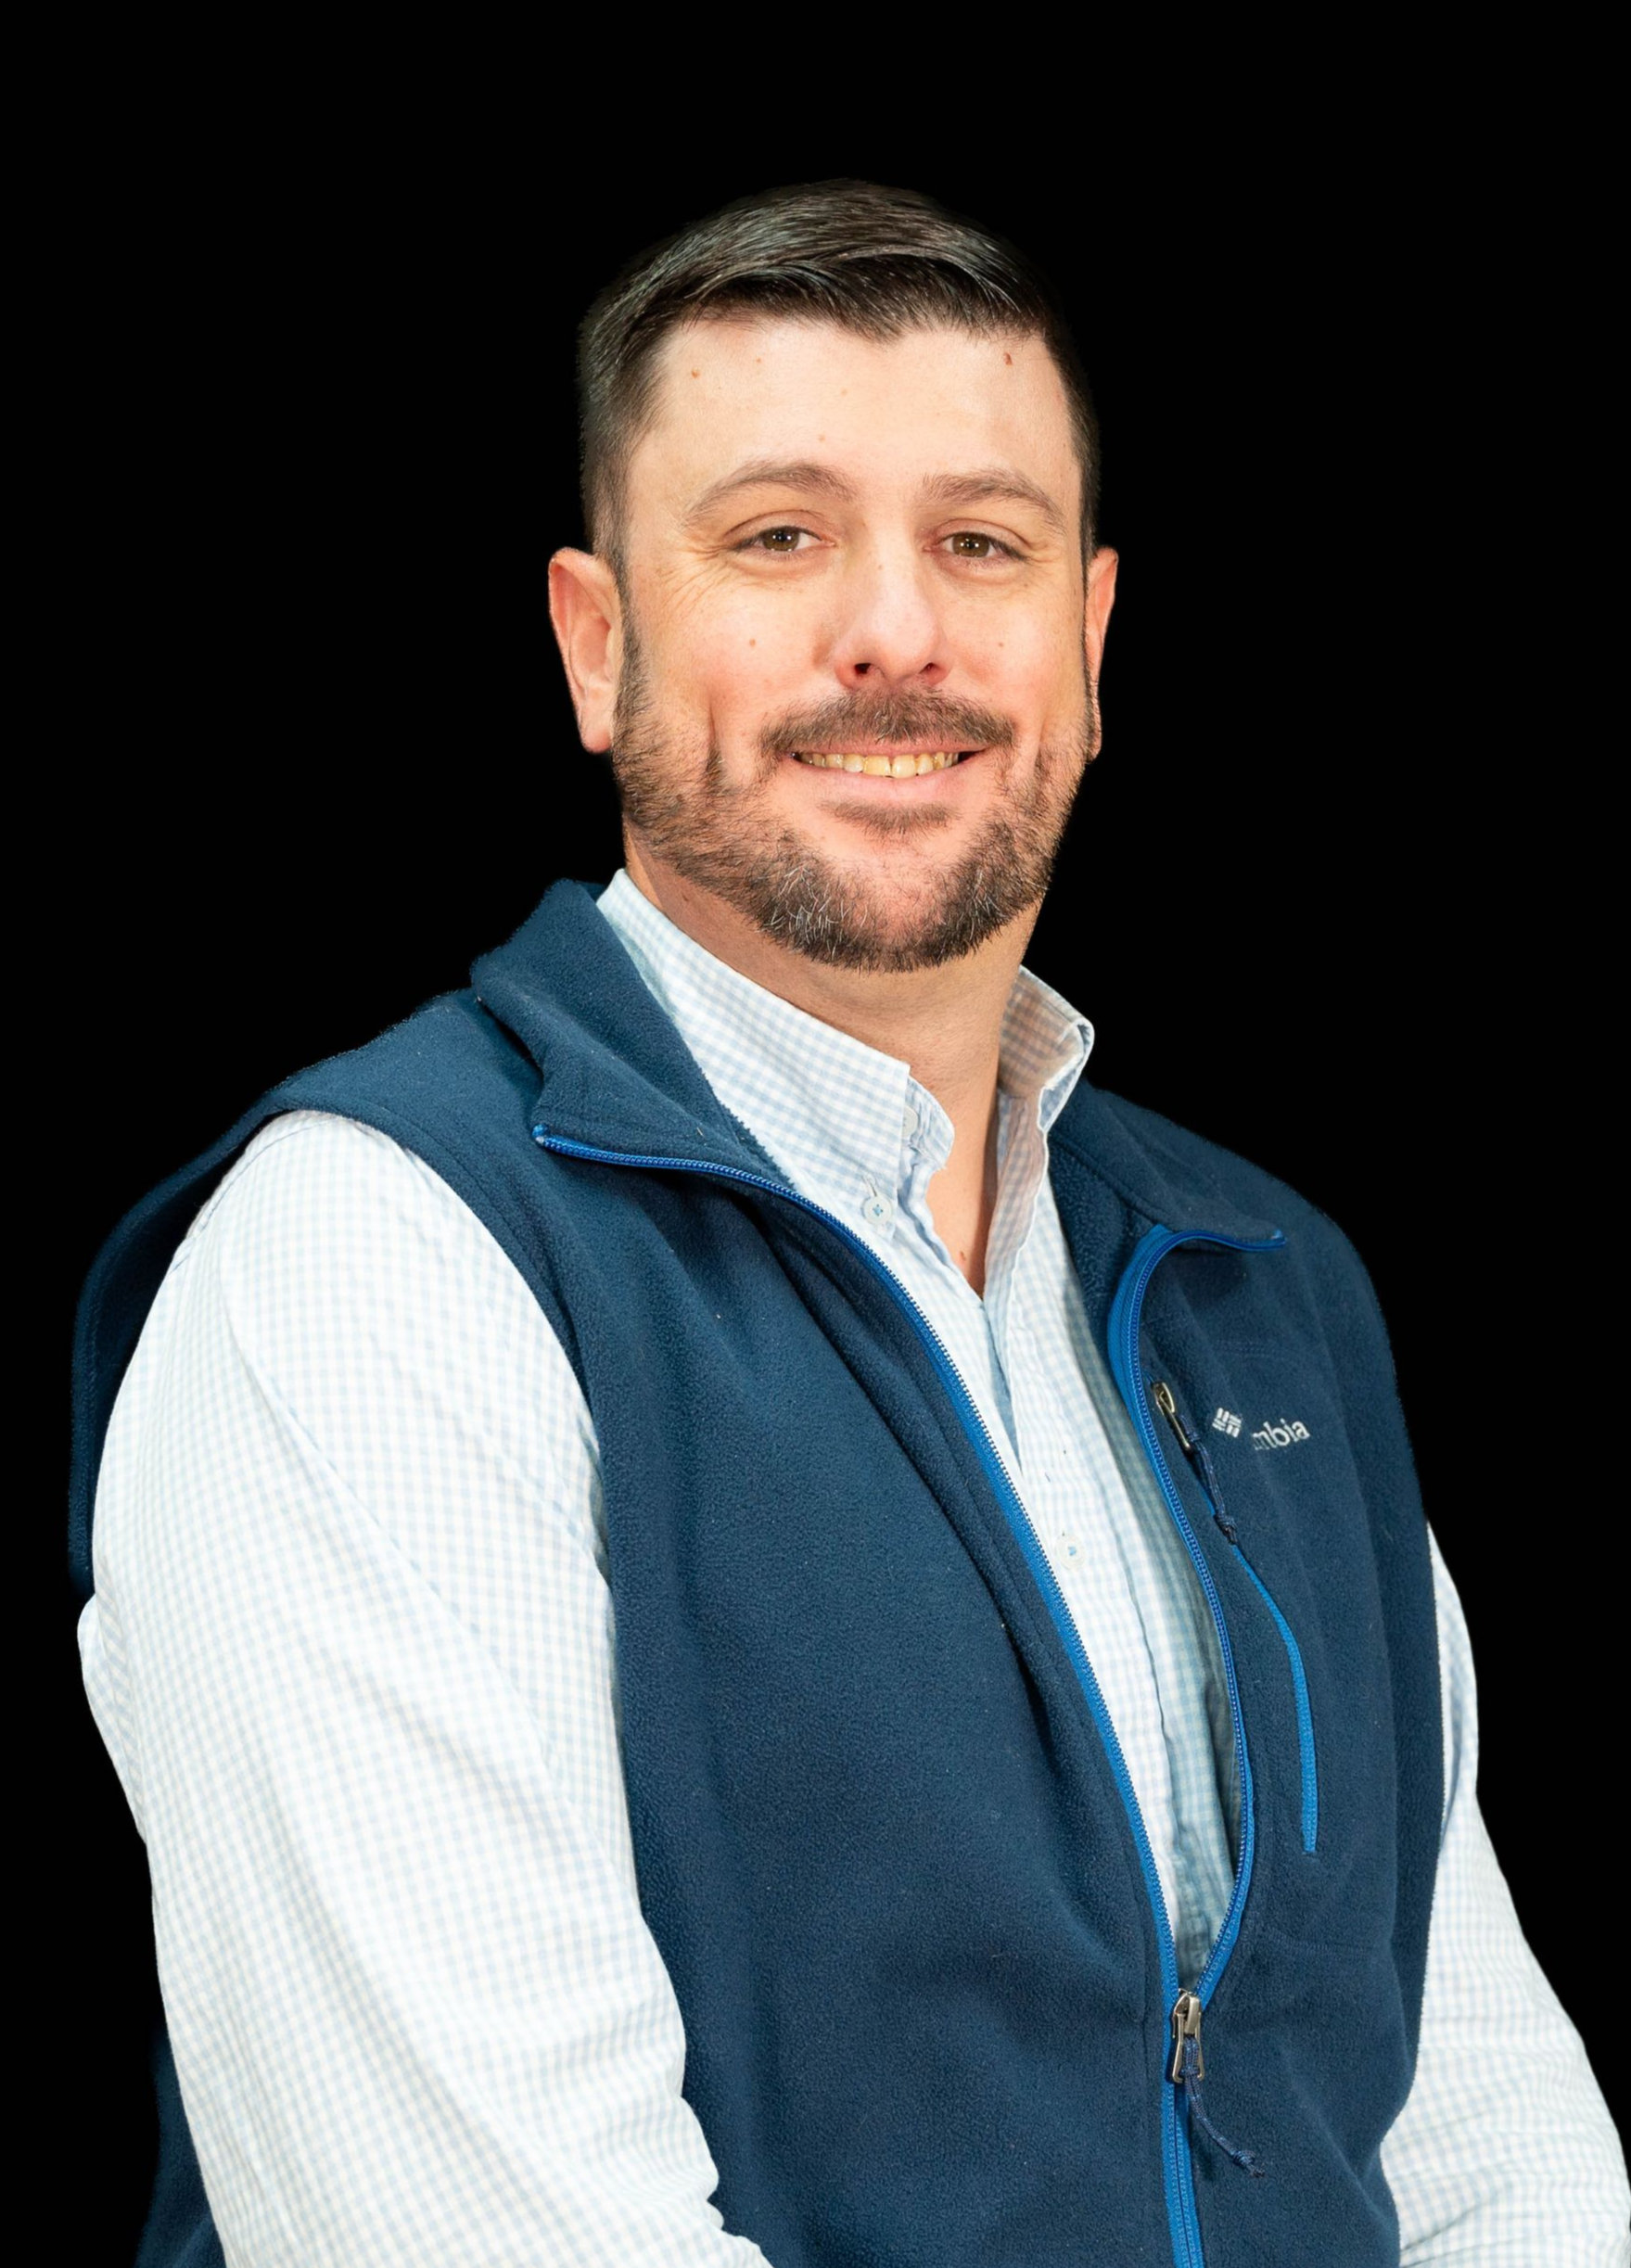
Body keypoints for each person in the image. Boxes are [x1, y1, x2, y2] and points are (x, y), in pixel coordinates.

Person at [70, 179, 1626, 2267]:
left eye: (981, 544)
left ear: (1088, 649)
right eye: (779, 536)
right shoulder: (381, 1263)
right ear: (597, 646)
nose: (896, 632)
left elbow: (1483, 2131)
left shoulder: (1262, 1291)